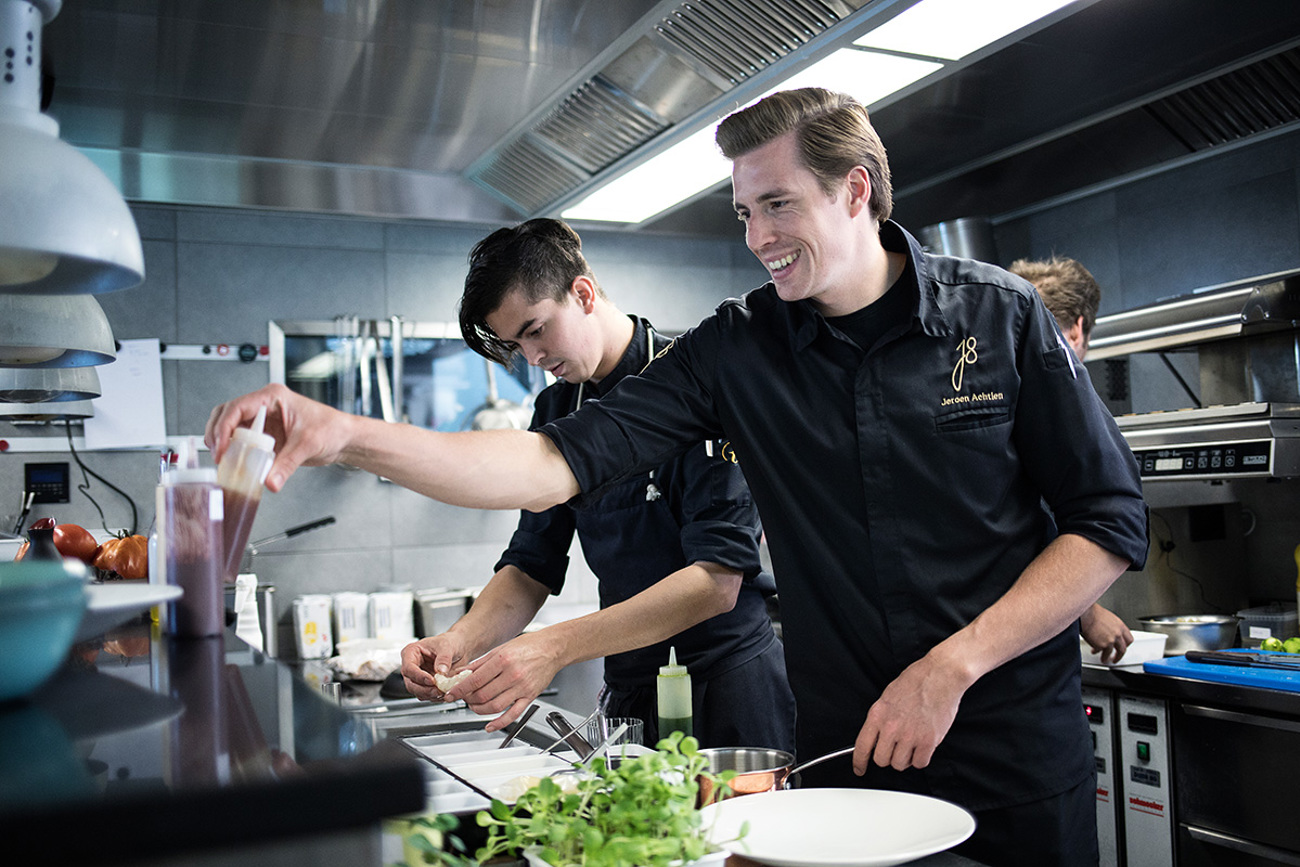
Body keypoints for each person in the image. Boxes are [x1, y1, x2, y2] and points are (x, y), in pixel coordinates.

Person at [207, 88, 1148, 866]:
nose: (757, 236)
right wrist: (343, 435)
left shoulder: (1004, 317)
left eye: (778, 204)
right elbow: (547, 466)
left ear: (856, 190)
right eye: (744, 212)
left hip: (1015, 753)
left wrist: (952, 665)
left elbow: (1107, 523)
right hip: (849, 760)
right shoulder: (737, 350)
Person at [398, 218, 795, 751]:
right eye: (519, 344)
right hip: (630, 697)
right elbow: (530, 565)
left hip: (727, 692)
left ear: (582, 293)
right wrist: (458, 642)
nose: (533, 358)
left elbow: (715, 583)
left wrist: (554, 646)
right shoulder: (557, 407)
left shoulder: (695, 383)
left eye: (536, 330)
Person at [1009, 256, 1136, 664]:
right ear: (1079, 326)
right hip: (1025, 643)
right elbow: (1026, 523)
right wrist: (1086, 611)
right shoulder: (1045, 399)